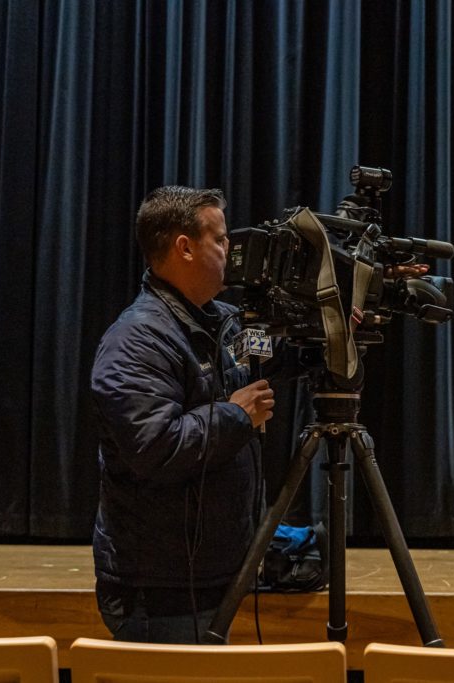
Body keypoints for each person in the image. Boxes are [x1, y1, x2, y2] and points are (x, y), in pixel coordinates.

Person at [90, 186, 276, 643]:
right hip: (161, 593)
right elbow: (156, 447)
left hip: (211, 579)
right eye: (221, 239)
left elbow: (269, 359)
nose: (231, 251)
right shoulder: (136, 340)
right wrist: (236, 416)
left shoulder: (221, 322)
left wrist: (335, 325)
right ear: (184, 247)